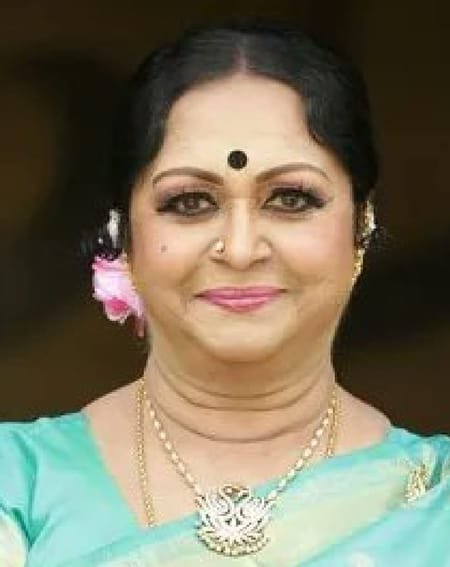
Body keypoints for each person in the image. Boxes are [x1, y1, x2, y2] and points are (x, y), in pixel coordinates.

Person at [1, 21, 449, 567]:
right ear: (123, 233)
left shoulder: (434, 502)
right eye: (190, 202)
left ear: (361, 224)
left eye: (290, 199)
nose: (239, 250)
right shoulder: (15, 487)